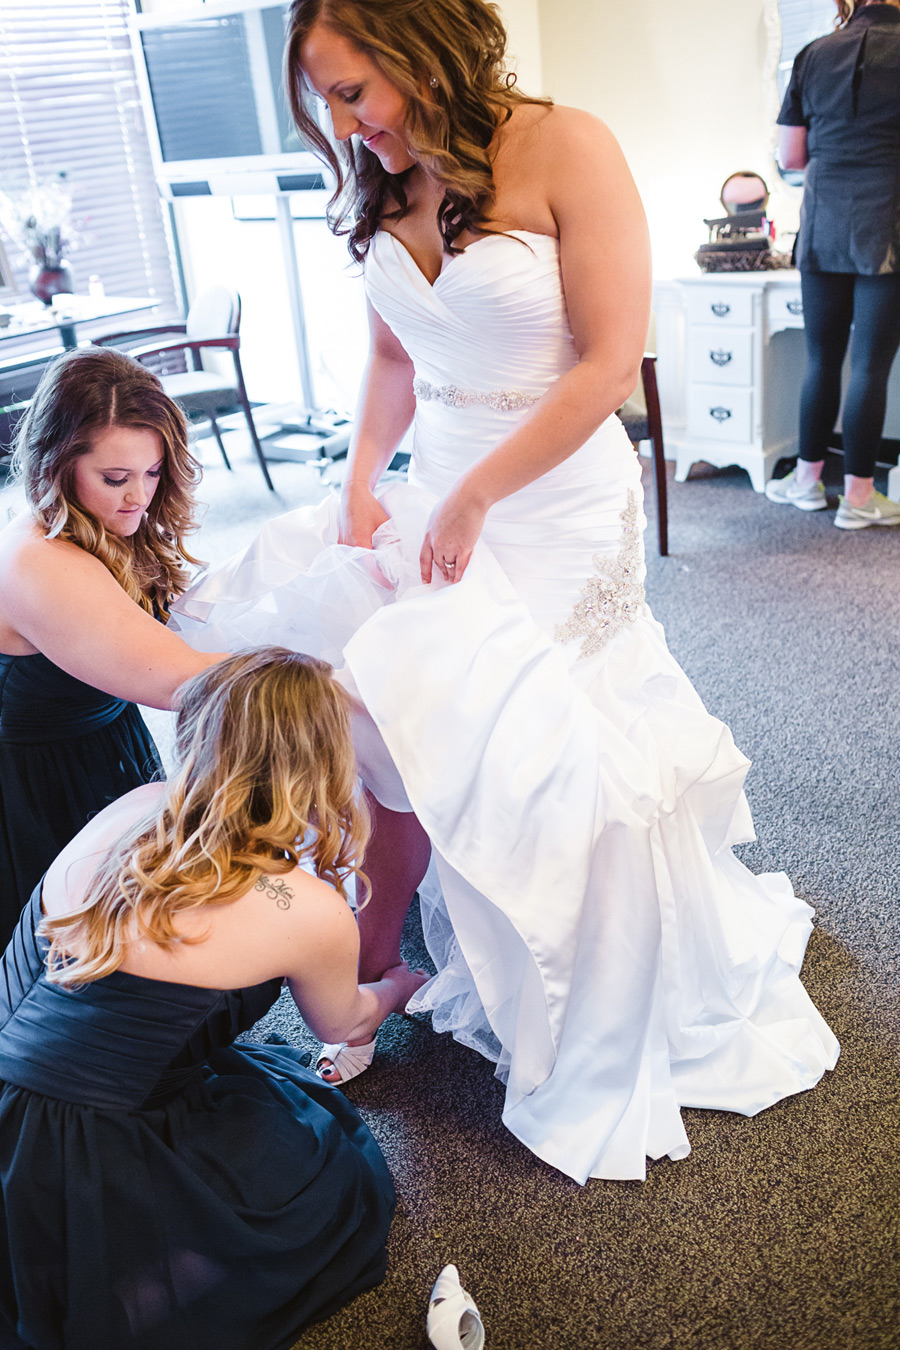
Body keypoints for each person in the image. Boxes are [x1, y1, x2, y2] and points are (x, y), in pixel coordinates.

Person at [172, 0, 839, 1184]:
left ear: (423, 49)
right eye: (322, 98)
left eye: (355, 89)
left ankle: (607, 985)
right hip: (440, 487)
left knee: (558, 737)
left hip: (554, 497)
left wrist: (480, 493)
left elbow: (607, 360)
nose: (342, 121)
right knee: (438, 732)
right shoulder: (379, 180)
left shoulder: (567, 144)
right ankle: (470, 957)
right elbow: (389, 351)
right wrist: (360, 482)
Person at [0, 647, 420, 1350]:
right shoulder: (303, 907)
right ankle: (121, 1279)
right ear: (320, 767)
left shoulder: (135, 805)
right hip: (81, 1150)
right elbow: (345, 1023)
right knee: (325, 1183)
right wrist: (398, 985)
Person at [0, 346, 226, 938]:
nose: (139, 498)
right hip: (38, 790)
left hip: (102, 746)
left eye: (153, 473)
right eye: (116, 478)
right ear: (56, 465)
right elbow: (182, 680)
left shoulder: (102, 522)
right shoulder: (41, 561)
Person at [767, 0, 900, 527]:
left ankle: (805, 482)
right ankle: (859, 498)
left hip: (822, 228)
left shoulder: (813, 53)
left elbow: (790, 158)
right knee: (870, 364)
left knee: (822, 360)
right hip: (887, 230)